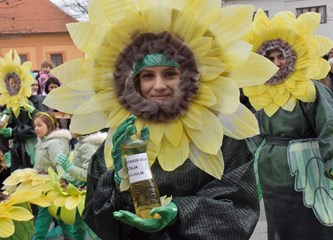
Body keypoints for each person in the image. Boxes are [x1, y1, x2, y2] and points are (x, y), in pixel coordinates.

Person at [43, 1, 279, 239]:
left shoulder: (220, 133)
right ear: (134, 81)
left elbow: (238, 206)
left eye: (170, 74)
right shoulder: (121, 137)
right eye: (147, 76)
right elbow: (98, 217)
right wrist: (115, 181)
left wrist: (180, 211)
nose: (158, 85)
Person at [242, 9, 333, 240]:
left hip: (307, 169)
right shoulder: (260, 91)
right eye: (270, 59)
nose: (276, 63)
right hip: (271, 174)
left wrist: (331, 162)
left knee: (313, 222)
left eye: (280, 56)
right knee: (280, 226)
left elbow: (328, 125)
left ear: (293, 55)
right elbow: (253, 133)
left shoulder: (311, 89)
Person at [57, 131, 107, 240]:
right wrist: (67, 176)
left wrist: (68, 167)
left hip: (88, 195)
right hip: (82, 193)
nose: (71, 127)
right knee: (78, 227)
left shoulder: (87, 146)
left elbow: (88, 174)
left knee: (92, 230)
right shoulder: (82, 144)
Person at [32, 111, 74, 240]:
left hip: (52, 186)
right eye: (35, 125)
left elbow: (59, 164)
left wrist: (63, 181)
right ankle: (70, 236)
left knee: (43, 219)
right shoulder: (42, 142)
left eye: (40, 125)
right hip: (43, 185)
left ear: (49, 126)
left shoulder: (54, 143)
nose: (36, 128)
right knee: (61, 215)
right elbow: (38, 165)